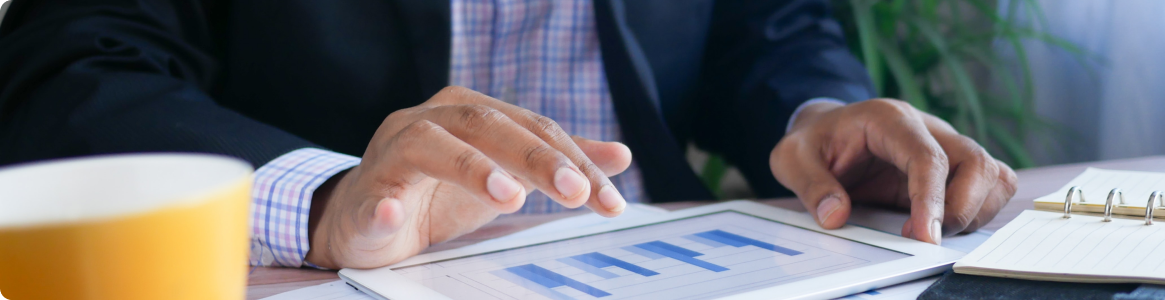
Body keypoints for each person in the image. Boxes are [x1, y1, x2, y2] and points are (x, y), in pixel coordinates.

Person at [0, 0, 1016, 269]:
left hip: (666, 264)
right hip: (346, 277)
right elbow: (70, 69)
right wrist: (324, 199)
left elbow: (766, 25)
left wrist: (822, 115)